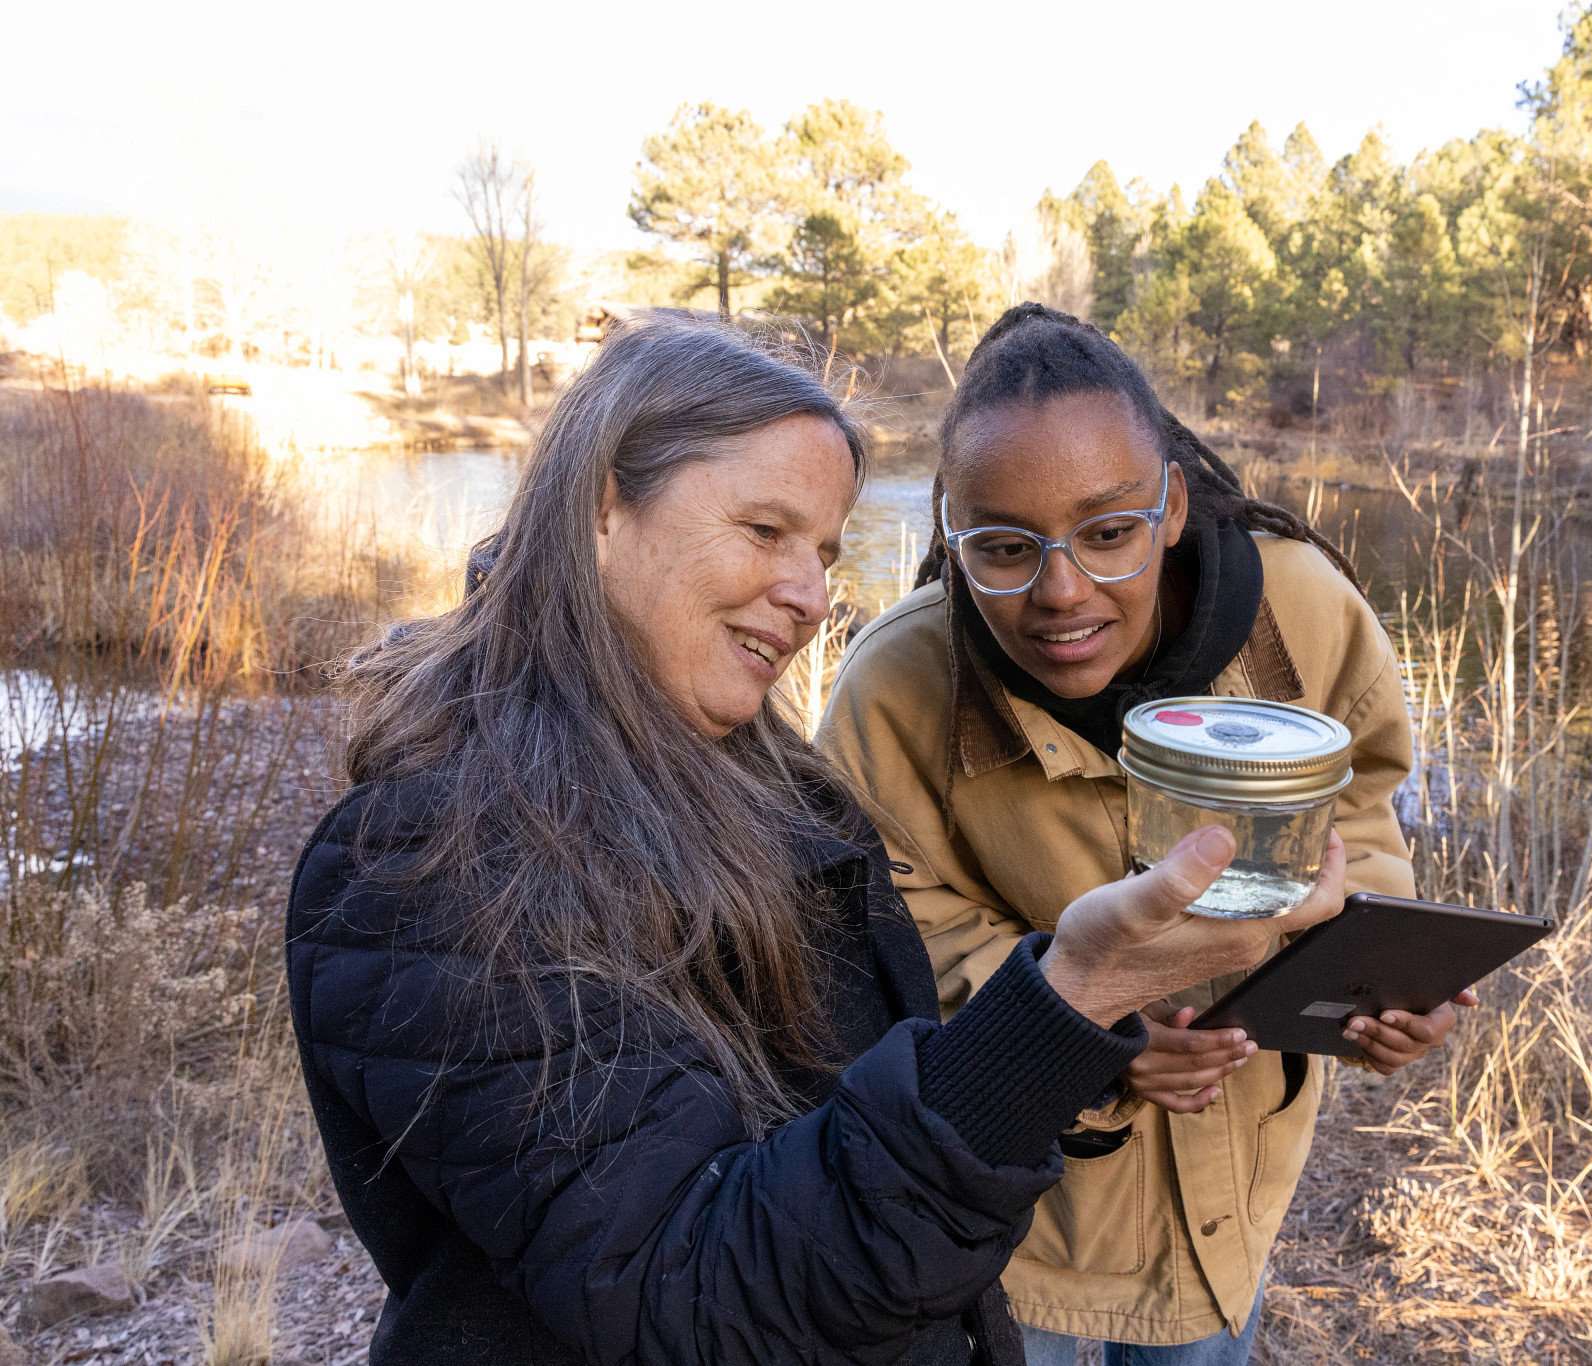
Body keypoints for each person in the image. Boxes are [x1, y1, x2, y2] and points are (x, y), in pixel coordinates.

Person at [284, 313, 1354, 1366]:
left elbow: (866, 1103)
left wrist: (1074, 1034)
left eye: (824, 551)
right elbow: (702, 1286)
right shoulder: (430, 864)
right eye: (763, 531)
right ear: (606, 503)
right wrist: (1069, 996)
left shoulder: (779, 792)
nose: (809, 598)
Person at [819, 304, 1472, 1366]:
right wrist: (1091, 1027)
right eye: (1002, 547)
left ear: (1169, 504)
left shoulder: (1303, 610)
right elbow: (881, 931)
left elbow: (1359, 804)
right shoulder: (894, 687)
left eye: (1107, 531)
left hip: (1232, 1196)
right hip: (1012, 1216)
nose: (1061, 591)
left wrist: (1371, 979)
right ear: (951, 536)